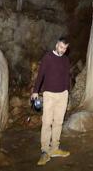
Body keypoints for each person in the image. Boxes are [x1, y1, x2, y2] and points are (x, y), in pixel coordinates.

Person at [31, 37, 71, 166]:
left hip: (62, 95)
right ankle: (44, 151)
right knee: (47, 122)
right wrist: (35, 91)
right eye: (61, 47)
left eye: (65, 48)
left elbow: (66, 76)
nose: (62, 50)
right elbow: (40, 75)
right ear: (56, 45)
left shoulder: (66, 59)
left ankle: (55, 148)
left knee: (58, 122)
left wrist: (67, 91)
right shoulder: (48, 57)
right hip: (49, 95)